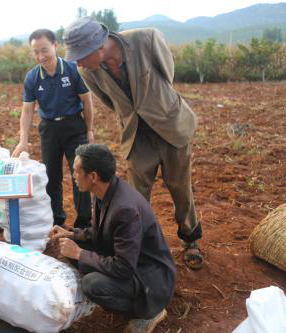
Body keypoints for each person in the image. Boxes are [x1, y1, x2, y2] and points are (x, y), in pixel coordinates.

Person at [63, 17, 203, 269]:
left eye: (81, 56)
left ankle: (190, 237)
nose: (79, 63)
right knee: (136, 196)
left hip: (170, 125)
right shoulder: (89, 72)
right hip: (136, 136)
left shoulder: (146, 39)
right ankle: (136, 244)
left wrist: (154, 106)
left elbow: (167, 75)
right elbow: (110, 101)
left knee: (180, 187)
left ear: (98, 47)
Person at [50, 143, 176, 333]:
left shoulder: (124, 209)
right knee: (73, 249)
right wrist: (72, 233)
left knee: (92, 284)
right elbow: (101, 231)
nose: (73, 176)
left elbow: (123, 268)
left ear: (93, 176)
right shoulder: (105, 190)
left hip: (149, 278)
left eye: (76, 171)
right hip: (132, 262)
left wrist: (79, 253)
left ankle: (148, 313)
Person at [12, 28, 94, 228]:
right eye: (36, 52)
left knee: (81, 172)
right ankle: (56, 219)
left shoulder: (73, 69)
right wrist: (23, 140)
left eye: (44, 50)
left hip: (74, 126)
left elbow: (87, 101)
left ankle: (83, 223)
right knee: (52, 175)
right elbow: (27, 111)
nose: (41, 56)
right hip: (49, 129)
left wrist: (89, 129)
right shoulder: (32, 77)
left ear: (56, 46)